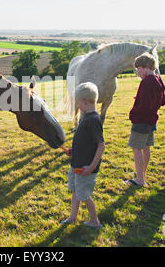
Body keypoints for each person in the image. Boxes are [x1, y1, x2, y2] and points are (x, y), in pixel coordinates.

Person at [61, 82, 105, 230]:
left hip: (85, 167)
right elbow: (86, 141)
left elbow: (101, 145)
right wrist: (73, 150)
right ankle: (73, 216)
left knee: (84, 195)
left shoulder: (93, 120)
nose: (77, 106)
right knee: (76, 190)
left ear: (85, 102)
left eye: (78, 103)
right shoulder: (86, 117)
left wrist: (91, 167)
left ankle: (95, 221)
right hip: (77, 163)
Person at [125, 53, 165, 187]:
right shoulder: (158, 79)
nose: (138, 72)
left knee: (136, 148)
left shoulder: (146, 81)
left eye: (139, 69)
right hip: (151, 120)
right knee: (146, 148)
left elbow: (144, 106)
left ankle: (140, 180)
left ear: (147, 67)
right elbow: (163, 101)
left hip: (141, 120)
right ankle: (141, 174)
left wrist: (133, 113)